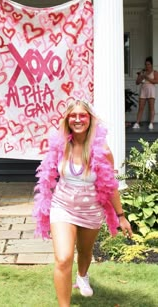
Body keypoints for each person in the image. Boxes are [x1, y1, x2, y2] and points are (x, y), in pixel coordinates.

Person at [33, 100, 132, 306]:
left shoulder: (102, 150)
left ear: (90, 119)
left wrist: (120, 216)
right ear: (67, 119)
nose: (77, 119)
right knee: (63, 258)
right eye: (73, 115)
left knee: (85, 251)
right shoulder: (60, 145)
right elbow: (47, 175)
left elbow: (110, 184)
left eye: (82, 115)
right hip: (62, 207)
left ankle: (82, 275)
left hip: (91, 210)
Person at [133, 56, 158, 130]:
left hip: (151, 89)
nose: (147, 66)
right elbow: (137, 83)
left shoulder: (155, 72)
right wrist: (140, 76)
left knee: (151, 107)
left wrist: (146, 77)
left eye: (148, 64)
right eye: (146, 64)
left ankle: (151, 123)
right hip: (143, 89)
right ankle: (137, 123)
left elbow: (156, 81)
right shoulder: (143, 72)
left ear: (151, 65)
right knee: (141, 107)